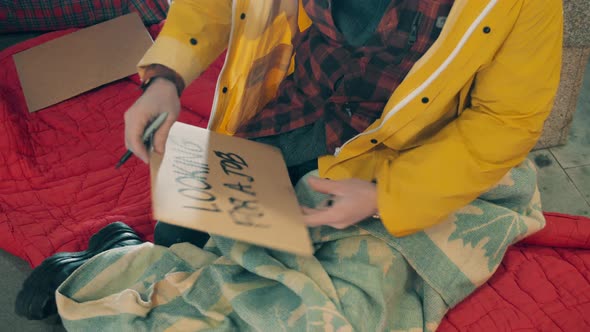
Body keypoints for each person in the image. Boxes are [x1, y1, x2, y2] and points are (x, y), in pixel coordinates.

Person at [17, 0, 563, 329]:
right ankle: (126, 252)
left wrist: (387, 197)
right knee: (182, 232)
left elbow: (508, 117)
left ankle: (113, 266)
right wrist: (168, 76)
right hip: (295, 107)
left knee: (322, 308)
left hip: (401, 154)